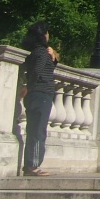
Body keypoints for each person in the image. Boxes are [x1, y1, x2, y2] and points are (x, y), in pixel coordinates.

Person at [20, 21, 57, 176]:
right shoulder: (41, 52)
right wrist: (30, 86)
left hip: (37, 93)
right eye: (47, 32)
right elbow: (37, 71)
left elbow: (44, 69)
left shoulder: (35, 51)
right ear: (43, 35)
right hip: (41, 93)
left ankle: (31, 164)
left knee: (34, 129)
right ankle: (32, 165)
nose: (49, 35)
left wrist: (54, 58)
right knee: (38, 130)